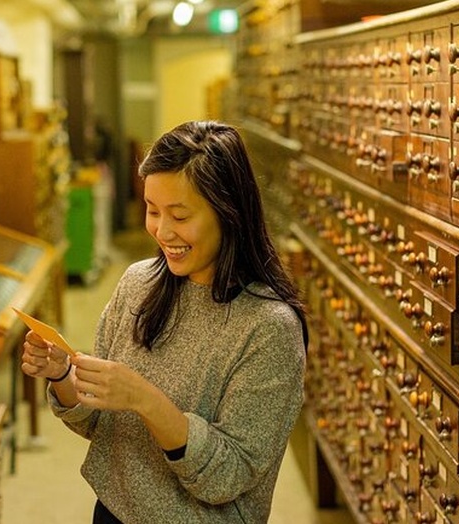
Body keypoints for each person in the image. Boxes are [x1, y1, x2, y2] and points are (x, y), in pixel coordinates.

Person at [21, 120, 308, 523]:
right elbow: (101, 426)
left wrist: (146, 400)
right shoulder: (139, 284)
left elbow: (228, 476)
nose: (162, 230)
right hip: (112, 512)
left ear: (229, 213)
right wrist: (64, 376)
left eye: (180, 215)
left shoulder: (268, 327)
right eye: (152, 211)